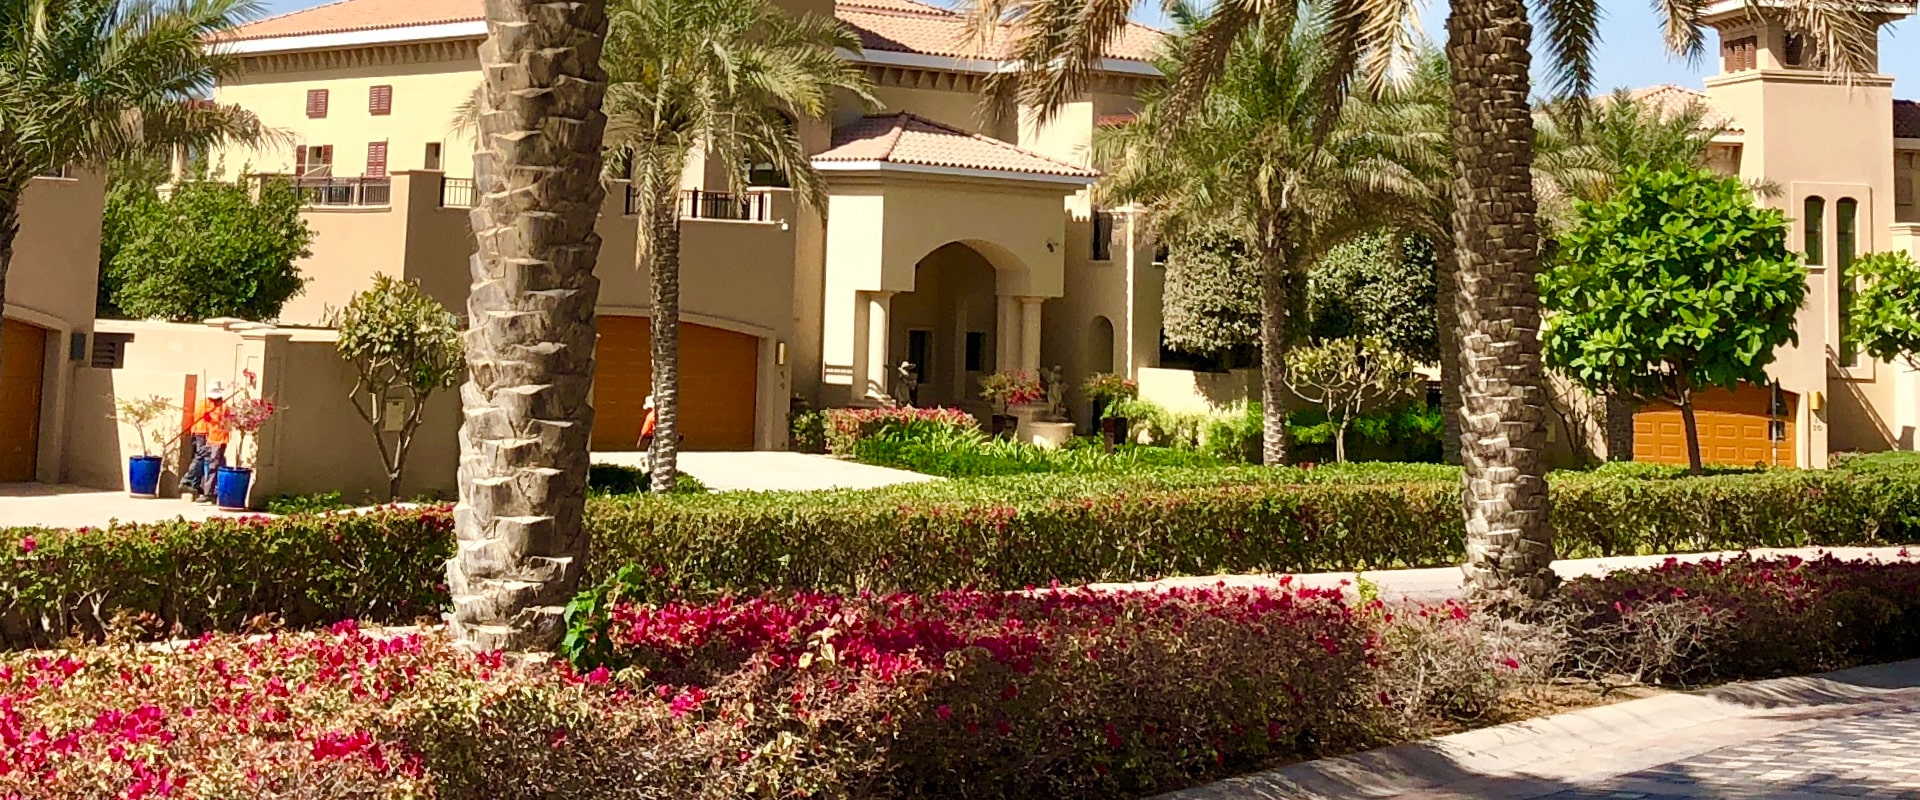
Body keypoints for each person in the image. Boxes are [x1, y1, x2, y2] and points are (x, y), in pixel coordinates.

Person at [179, 382, 228, 501]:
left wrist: (212, 416)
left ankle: (200, 486)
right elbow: (201, 416)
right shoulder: (204, 403)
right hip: (202, 433)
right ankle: (190, 482)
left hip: (214, 437)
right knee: (201, 457)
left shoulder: (223, 405)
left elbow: (221, 419)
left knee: (211, 462)